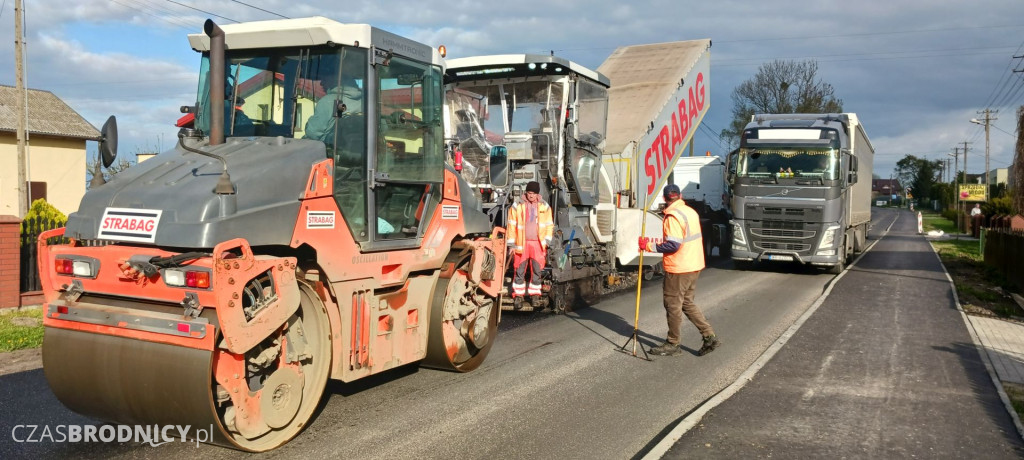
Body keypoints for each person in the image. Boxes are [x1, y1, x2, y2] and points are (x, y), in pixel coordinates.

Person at [640, 184, 720, 356]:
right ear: (680, 196)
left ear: (664, 198)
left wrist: (647, 245)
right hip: (694, 265)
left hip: (679, 268)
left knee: (673, 305)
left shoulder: (672, 216)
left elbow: (673, 245)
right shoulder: (690, 212)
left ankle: (673, 344)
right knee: (687, 303)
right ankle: (709, 336)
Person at [507, 181, 554, 308]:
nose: (531, 195)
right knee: (519, 270)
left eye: (533, 193)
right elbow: (511, 225)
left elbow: (549, 225)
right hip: (521, 244)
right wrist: (511, 245)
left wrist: (547, 241)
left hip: (538, 244)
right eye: (529, 193)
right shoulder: (517, 205)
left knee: (537, 270)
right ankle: (518, 296)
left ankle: (535, 295)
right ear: (525, 193)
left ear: (537, 194)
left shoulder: (545, 206)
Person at [304, 61, 363, 146]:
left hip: (333, 151)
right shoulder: (364, 101)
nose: (321, 83)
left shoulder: (329, 101)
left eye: (324, 78)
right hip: (357, 150)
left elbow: (313, 133)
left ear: (336, 78)